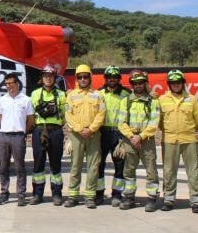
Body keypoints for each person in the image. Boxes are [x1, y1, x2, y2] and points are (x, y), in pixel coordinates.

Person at [159, 70, 198, 213]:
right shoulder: (162, 99)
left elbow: (197, 120)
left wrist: (188, 131)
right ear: (169, 84)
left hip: (189, 139)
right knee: (169, 170)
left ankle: (196, 200)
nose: (176, 85)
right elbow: (159, 121)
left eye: (178, 82)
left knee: (193, 170)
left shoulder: (192, 99)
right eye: (173, 83)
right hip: (170, 139)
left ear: (182, 83)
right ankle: (169, 199)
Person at [117, 70, 161, 212]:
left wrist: (140, 137)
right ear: (132, 85)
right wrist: (131, 136)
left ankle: (152, 198)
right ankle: (129, 197)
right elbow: (121, 122)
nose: (138, 85)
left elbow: (154, 122)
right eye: (135, 83)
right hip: (130, 140)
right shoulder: (126, 101)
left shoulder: (153, 101)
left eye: (141, 83)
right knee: (128, 170)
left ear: (145, 83)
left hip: (146, 140)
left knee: (151, 170)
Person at [64, 64, 105, 209]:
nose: (83, 79)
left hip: (93, 135)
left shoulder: (98, 95)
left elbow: (101, 115)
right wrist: (80, 129)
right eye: (80, 77)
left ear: (90, 78)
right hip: (77, 135)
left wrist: (91, 129)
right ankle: (73, 196)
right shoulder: (71, 96)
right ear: (76, 79)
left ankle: (90, 196)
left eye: (85, 76)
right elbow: (68, 115)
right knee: (76, 165)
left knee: (93, 166)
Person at [29, 64, 66, 206]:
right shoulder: (35, 94)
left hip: (55, 130)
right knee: (38, 164)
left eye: (50, 76)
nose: (48, 79)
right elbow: (31, 114)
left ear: (54, 78)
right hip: (39, 130)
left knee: (55, 164)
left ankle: (57, 194)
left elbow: (64, 115)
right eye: (45, 76)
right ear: (42, 78)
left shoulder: (62, 95)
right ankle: (37, 194)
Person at [0, 73, 34, 207]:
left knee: (20, 167)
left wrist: (23, 130)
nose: (9, 86)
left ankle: (21, 194)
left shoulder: (26, 100)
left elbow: (30, 120)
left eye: (11, 83)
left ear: (17, 83)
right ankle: (4, 193)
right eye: (6, 84)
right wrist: (6, 127)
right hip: (4, 136)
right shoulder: (2, 100)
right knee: (3, 166)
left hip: (18, 136)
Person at [97, 65, 130, 207]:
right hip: (102, 132)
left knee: (119, 165)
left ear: (119, 79)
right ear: (105, 79)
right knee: (99, 164)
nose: (112, 79)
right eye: (109, 77)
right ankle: (99, 193)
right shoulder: (99, 93)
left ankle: (117, 194)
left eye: (115, 77)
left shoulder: (127, 94)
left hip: (119, 133)